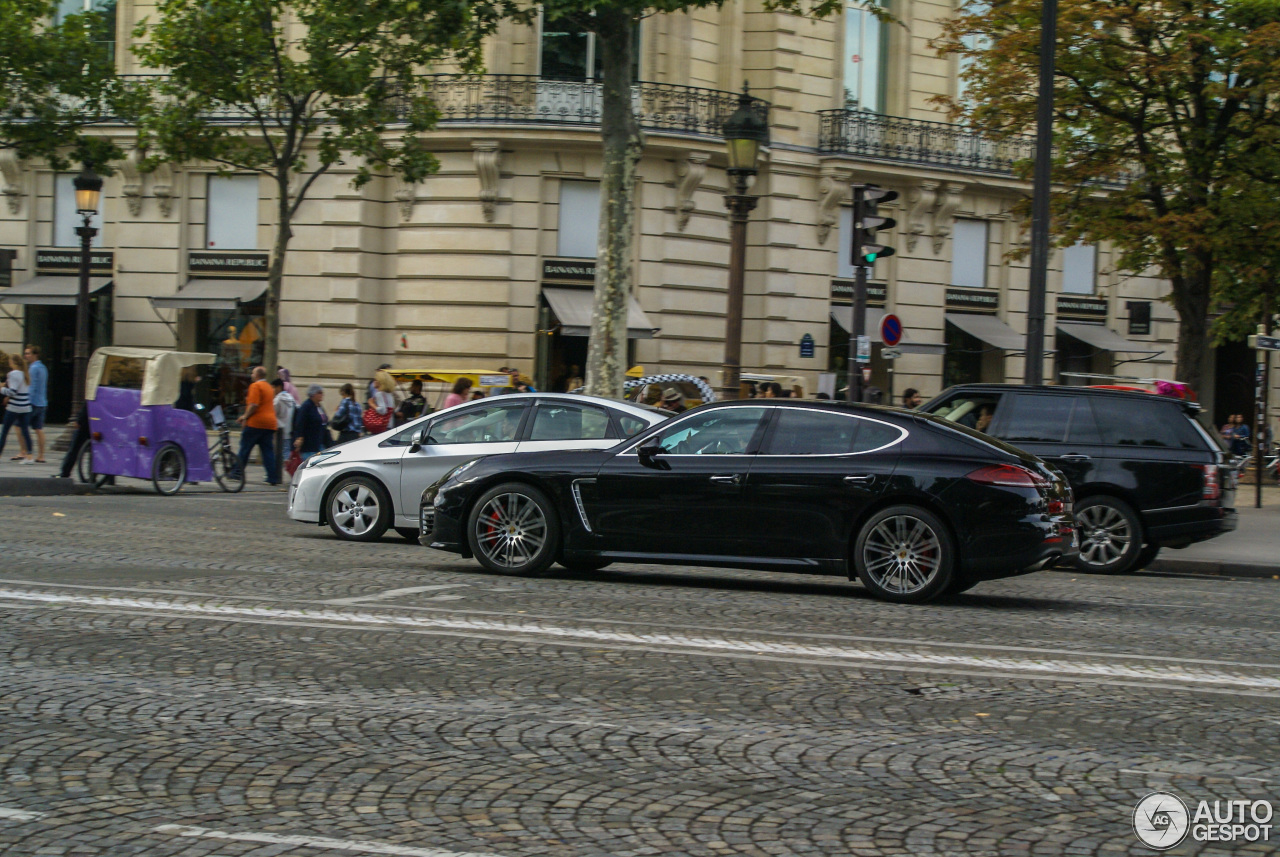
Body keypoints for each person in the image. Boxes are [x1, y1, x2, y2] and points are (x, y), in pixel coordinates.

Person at [237, 365, 279, 485]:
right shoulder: (269, 387)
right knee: (268, 452)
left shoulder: (255, 386)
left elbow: (254, 405)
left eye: (252, 373)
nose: (251, 375)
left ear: (257, 375)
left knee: (245, 449)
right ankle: (272, 477)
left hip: (256, 423)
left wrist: (244, 417)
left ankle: (236, 472)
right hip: (270, 423)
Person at [0, 353, 33, 463]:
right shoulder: (25, 374)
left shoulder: (13, 374)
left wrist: (1, 389)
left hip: (14, 407)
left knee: (4, 431)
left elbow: (12, 392)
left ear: (13, 363)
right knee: (25, 432)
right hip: (25, 407)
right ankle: (29, 456)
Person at [293, 384, 331, 460]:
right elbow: (300, 422)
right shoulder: (306, 406)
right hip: (309, 444)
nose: (322, 394)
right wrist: (299, 437)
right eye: (319, 393)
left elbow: (324, 421)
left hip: (320, 442)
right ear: (313, 394)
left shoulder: (319, 406)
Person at [23, 344, 48, 462]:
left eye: (28, 353)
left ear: (35, 355)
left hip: (32, 402)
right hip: (42, 402)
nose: (26, 356)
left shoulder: (33, 368)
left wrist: (26, 401)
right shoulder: (43, 368)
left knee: (21, 427)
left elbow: (31, 387)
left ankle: (26, 453)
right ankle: (41, 455)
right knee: (39, 429)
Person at [272, 377, 297, 473]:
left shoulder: (277, 400)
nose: (272, 390)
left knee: (280, 453)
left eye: (273, 388)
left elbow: (273, 413)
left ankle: (285, 472)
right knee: (287, 452)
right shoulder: (290, 398)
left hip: (279, 429)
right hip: (289, 429)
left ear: (278, 387)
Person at [366, 369, 397, 434]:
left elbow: (383, 410)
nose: (373, 381)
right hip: (389, 425)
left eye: (375, 380)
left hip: (381, 427)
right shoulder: (390, 395)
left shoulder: (379, 394)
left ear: (380, 382)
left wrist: (372, 404)